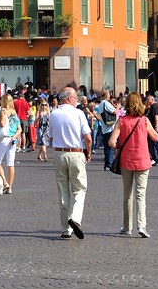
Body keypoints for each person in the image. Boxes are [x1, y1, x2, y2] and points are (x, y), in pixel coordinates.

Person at [108, 92, 158, 238]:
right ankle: (142, 226)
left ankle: (127, 226)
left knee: (127, 195)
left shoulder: (122, 121)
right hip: (143, 160)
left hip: (126, 160)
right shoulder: (144, 120)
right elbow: (155, 137)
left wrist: (118, 147)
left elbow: (111, 142)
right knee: (140, 195)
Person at [48, 87, 92, 239]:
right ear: (68, 98)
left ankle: (66, 228)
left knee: (63, 190)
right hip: (76, 153)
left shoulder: (53, 113)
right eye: (75, 98)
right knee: (79, 189)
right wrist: (89, 152)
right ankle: (75, 218)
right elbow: (88, 138)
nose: (77, 100)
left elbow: (51, 136)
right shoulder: (78, 113)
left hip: (59, 153)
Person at [0, 93, 20, 194]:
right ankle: (10, 187)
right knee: (10, 163)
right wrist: (14, 137)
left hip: (4, 138)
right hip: (13, 139)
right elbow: (19, 129)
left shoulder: (3, 111)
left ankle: (5, 183)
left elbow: (2, 123)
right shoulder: (14, 113)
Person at [95, 90, 117, 171]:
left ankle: (107, 164)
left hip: (104, 127)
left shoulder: (100, 104)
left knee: (107, 147)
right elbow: (115, 112)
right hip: (110, 127)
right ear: (107, 96)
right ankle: (109, 164)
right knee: (110, 147)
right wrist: (118, 106)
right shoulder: (106, 103)